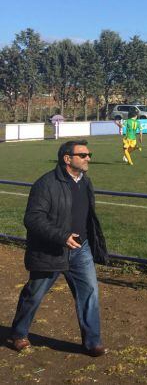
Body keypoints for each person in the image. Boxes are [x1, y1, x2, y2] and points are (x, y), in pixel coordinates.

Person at [7, 140, 108, 356]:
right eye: (83, 155)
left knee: (89, 292)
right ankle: (18, 334)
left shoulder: (85, 181)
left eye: (89, 154)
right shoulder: (45, 184)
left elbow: (86, 216)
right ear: (67, 159)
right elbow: (32, 218)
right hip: (51, 250)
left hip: (80, 249)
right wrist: (61, 236)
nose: (88, 158)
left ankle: (92, 342)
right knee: (34, 294)